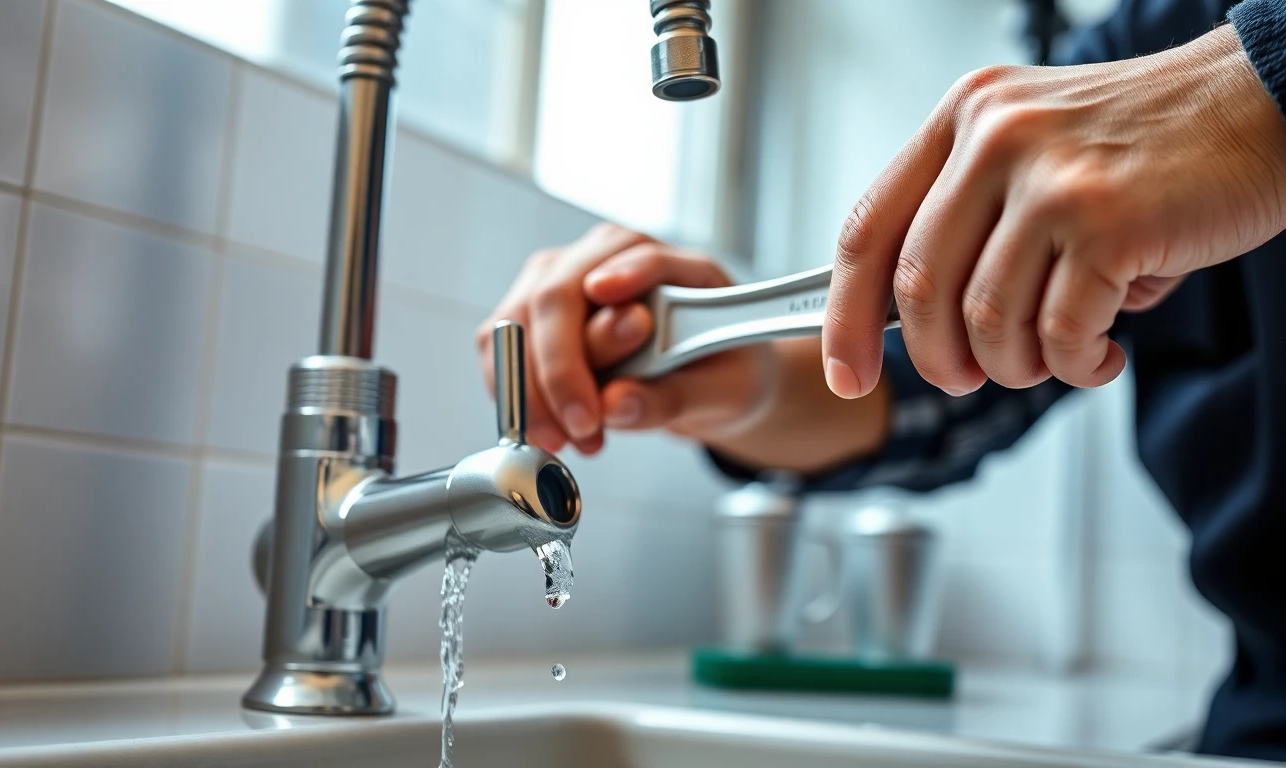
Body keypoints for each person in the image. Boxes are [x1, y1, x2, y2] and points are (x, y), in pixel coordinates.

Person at [477, 0, 1286, 759]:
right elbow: (930, 386)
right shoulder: (1147, 42)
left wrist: (1263, 85)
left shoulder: (1192, 70)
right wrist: (751, 382)